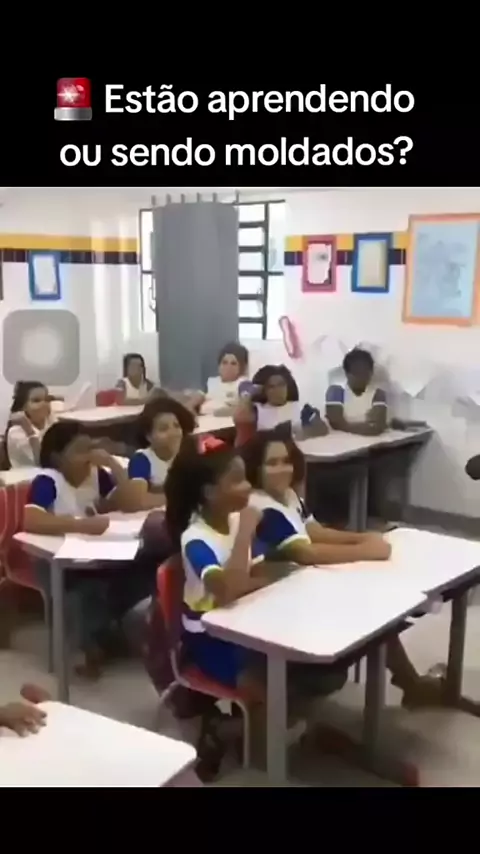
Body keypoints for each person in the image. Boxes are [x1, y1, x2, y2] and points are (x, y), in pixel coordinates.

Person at [164, 438, 348, 773]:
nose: (248, 487)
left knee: (325, 673)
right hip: (210, 637)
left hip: (250, 621)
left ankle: (247, 730)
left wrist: (257, 576)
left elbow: (263, 573)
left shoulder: (235, 519)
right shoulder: (196, 538)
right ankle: (256, 760)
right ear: (210, 493)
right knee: (263, 689)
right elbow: (228, 591)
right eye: (237, 481)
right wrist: (246, 533)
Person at [242, 429, 447, 708]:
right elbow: (304, 552)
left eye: (286, 461)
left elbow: (313, 531)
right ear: (255, 468)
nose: (283, 469)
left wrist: (362, 537)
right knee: (369, 608)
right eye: (272, 463)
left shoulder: (286, 495)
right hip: (277, 600)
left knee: (374, 605)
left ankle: (410, 683)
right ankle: (410, 684)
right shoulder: (260, 507)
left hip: (301, 584)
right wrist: (364, 550)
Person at [23, 421, 153, 677]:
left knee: (143, 570)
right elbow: (31, 520)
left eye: (90, 448)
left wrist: (114, 465)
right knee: (87, 591)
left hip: (97, 554)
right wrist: (80, 525)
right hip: (58, 561)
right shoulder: (48, 481)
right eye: (81, 450)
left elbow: (131, 503)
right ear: (58, 457)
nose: (89, 457)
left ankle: (117, 633)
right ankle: (90, 646)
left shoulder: (97, 475)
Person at [127, 397, 196, 511]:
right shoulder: (141, 459)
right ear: (148, 436)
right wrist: (180, 496)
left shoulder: (188, 455)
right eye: (164, 429)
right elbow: (139, 500)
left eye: (176, 426)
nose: (173, 433)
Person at [234, 364, 328, 442]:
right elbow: (240, 419)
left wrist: (303, 433)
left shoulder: (301, 407)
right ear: (264, 390)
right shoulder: (257, 409)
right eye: (271, 387)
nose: (277, 390)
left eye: (281, 384)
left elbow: (322, 428)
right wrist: (252, 391)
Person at [326, 348, 388, 436]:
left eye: (365, 373)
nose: (362, 377)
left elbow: (379, 425)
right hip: (340, 441)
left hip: (371, 442)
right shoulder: (336, 391)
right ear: (347, 373)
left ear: (371, 373)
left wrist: (347, 426)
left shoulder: (378, 394)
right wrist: (366, 428)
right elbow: (336, 423)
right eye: (357, 373)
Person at [5, 381, 55, 468]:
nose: (44, 404)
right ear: (23, 407)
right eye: (36, 400)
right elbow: (41, 462)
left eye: (47, 399)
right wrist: (29, 431)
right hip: (27, 475)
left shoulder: (51, 422)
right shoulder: (16, 432)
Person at [202, 343, 250, 416]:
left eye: (233, 363)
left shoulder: (243, 384)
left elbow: (245, 408)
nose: (228, 367)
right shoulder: (212, 382)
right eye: (224, 362)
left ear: (242, 367)